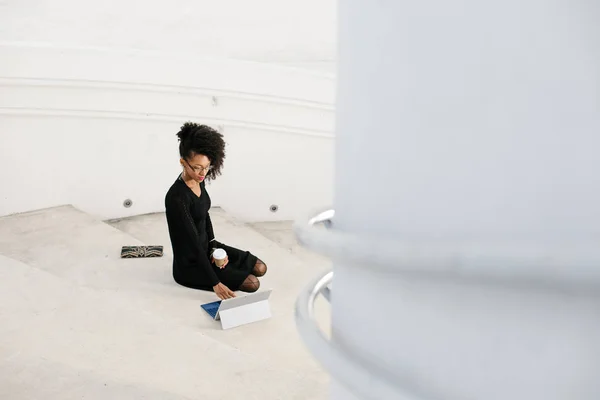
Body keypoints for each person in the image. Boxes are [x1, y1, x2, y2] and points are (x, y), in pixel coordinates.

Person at [164, 122, 267, 300]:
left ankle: (228, 268)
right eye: (197, 167)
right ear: (183, 162)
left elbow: (205, 214)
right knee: (252, 284)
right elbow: (194, 244)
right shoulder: (177, 198)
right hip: (190, 264)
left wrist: (213, 247)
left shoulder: (199, 180)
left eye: (206, 166)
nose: (202, 172)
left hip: (208, 247)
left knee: (260, 267)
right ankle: (225, 274)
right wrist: (215, 283)